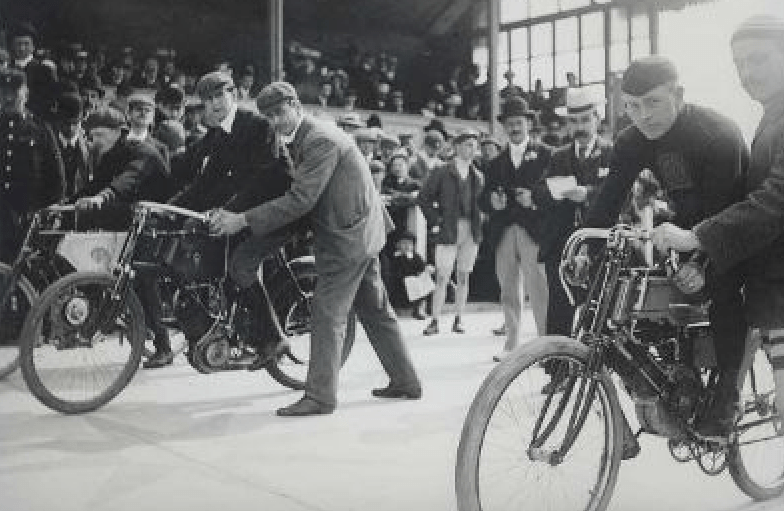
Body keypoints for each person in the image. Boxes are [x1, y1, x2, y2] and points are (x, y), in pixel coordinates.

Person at [208, 81, 422, 417]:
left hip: (347, 237)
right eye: (269, 117)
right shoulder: (306, 136)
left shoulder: (319, 139)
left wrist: (243, 220)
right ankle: (405, 380)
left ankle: (321, 397)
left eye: (280, 113)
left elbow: (302, 199)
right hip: (360, 231)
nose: (276, 121)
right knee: (376, 310)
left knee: (326, 313)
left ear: (295, 105)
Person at [585, 55, 750, 440]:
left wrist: (701, 260)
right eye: (632, 106)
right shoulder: (633, 139)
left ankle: (727, 395)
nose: (643, 116)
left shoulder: (717, 134)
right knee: (639, 292)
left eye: (654, 102)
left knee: (723, 289)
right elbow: (607, 201)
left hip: (738, 226)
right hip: (688, 225)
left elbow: (725, 209)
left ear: (678, 94)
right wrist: (583, 248)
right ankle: (670, 380)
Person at [650, 16, 784, 439]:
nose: (747, 74)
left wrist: (698, 236)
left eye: (759, 61)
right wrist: (702, 252)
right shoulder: (770, 118)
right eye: (740, 64)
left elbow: (774, 199)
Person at [169, 71, 292, 365]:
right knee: (208, 253)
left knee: (240, 266)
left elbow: (263, 180)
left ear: (233, 95)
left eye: (218, 96)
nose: (213, 105)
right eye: (206, 100)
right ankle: (228, 328)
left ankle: (274, 338)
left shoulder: (257, 125)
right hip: (248, 211)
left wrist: (230, 210)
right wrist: (168, 209)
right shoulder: (219, 135)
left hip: (280, 210)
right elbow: (205, 185)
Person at [75, 107, 174, 368]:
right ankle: (134, 323)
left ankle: (164, 347)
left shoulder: (143, 153)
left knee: (141, 278)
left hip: (160, 223)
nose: (94, 141)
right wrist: (64, 204)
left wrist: (102, 198)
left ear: (120, 132)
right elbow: (94, 187)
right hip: (134, 222)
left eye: (100, 134)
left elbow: (126, 181)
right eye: (91, 135)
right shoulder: (110, 156)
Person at [533, 87, 612, 339]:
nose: (580, 126)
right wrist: (557, 193)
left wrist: (587, 194)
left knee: (599, 309)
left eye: (585, 119)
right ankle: (557, 369)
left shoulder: (612, 153)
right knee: (559, 308)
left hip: (599, 244)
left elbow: (622, 195)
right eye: (574, 121)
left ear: (597, 119)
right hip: (561, 244)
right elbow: (538, 193)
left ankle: (595, 367)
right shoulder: (558, 156)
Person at [478, 96, 551, 361]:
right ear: (504, 128)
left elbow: (552, 191)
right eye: (509, 124)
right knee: (508, 288)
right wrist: (491, 202)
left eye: (519, 122)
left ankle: (545, 344)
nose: (514, 128)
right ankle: (512, 344)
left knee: (539, 287)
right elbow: (482, 197)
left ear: (528, 124)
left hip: (534, 229)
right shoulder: (495, 162)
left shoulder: (545, 154)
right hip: (504, 231)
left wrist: (534, 198)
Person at [418, 128, 484, 336]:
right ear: (456, 147)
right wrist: (435, 222)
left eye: (474, 145)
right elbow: (423, 197)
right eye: (467, 144)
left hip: (470, 229)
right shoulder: (442, 171)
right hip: (448, 227)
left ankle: (458, 318)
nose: (471, 149)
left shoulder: (478, 175)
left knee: (464, 275)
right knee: (442, 276)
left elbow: (481, 204)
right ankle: (435, 320)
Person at [0, 67, 64, 263]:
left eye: (14, 92)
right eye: (4, 92)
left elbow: (56, 180)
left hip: (25, 218)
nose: (9, 98)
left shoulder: (40, 130)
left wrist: (46, 212)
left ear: (25, 94)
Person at [52, 92, 94, 199]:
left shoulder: (90, 147)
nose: (70, 129)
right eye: (66, 123)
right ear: (57, 121)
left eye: (75, 123)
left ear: (82, 120)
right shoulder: (48, 145)